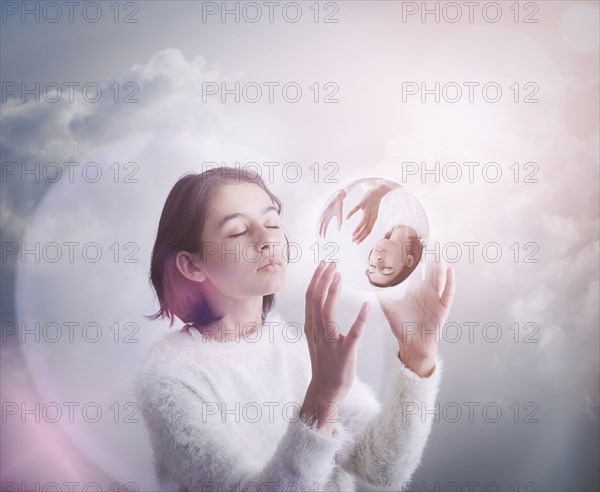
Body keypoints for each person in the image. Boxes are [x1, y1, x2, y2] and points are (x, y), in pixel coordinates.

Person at [134, 167, 456, 491]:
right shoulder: (170, 379)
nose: (268, 240)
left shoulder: (295, 347)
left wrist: (417, 358)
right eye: (237, 231)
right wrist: (322, 399)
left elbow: (383, 467)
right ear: (192, 264)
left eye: (272, 222)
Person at [319, 178, 428, 288]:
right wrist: (381, 189)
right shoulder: (426, 222)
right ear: (408, 260)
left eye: (372, 266)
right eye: (386, 269)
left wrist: (342, 193)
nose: (377, 260)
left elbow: (368, 175)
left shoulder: (380, 218)